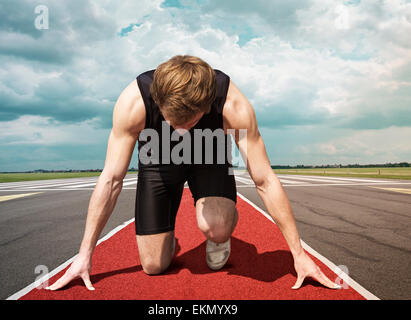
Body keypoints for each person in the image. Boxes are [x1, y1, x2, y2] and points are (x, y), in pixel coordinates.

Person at [47, 55, 340, 291]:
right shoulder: (133, 103)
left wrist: (298, 256)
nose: (180, 131)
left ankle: (219, 235)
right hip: (158, 160)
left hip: (209, 156)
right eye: (172, 122)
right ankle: (166, 242)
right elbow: (111, 180)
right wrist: (84, 256)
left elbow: (264, 179)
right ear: (157, 101)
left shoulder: (232, 104)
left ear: (208, 104)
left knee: (215, 225)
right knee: (153, 266)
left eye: (190, 121)